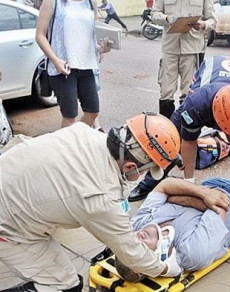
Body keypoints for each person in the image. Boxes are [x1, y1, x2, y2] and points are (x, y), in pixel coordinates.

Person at [0, 113, 184, 291]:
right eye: (146, 171)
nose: (143, 176)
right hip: (7, 225)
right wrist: (167, 268)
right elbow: (132, 255)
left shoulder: (84, 132)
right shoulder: (100, 197)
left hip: (7, 175)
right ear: (130, 166)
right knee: (65, 284)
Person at [131, 55, 230, 257]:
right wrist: (190, 184)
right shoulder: (196, 104)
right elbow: (189, 142)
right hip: (208, 99)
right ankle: (148, 184)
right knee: (168, 145)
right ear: (217, 122)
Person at [36, 0, 110, 129]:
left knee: (92, 113)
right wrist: (55, 60)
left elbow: (93, 33)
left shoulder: (91, 0)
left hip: (87, 65)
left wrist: (101, 48)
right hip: (63, 67)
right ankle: (70, 147)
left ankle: (73, 139)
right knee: (69, 116)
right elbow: (40, 35)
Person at [151, 0, 216, 118]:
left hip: (191, 49)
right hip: (170, 48)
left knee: (189, 92)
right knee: (166, 91)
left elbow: (213, 20)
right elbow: (154, 13)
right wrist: (166, 18)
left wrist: (204, 24)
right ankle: (166, 126)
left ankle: (185, 129)